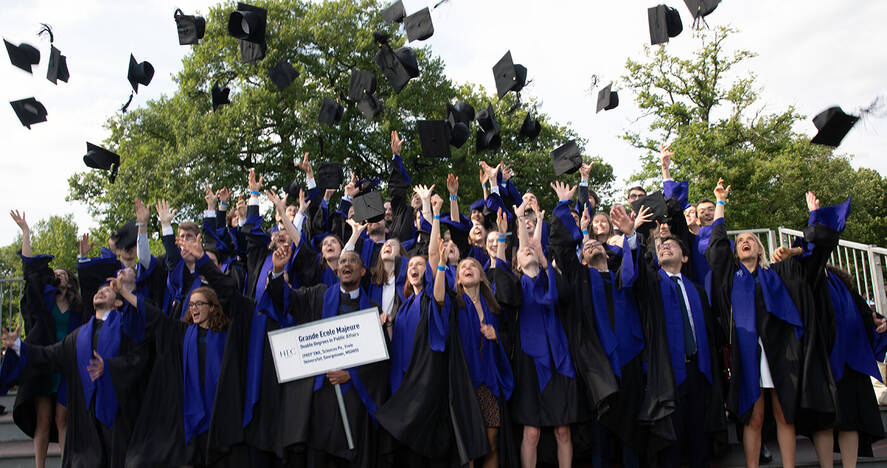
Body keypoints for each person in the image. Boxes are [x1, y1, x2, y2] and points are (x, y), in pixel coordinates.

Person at [123, 232, 251, 467]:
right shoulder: (183, 333)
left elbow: (228, 290)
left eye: (199, 304)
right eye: (191, 305)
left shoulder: (228, 331)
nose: (194, 309)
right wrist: (124, 293)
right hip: (193, 413)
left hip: (222, 409)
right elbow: (155, 316)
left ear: (213, 308)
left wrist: (202, 258)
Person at [705, 178, 804, 468]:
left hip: (779, 351)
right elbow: (716, 245)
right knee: (755, 415)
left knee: (784, 412)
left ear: (760, 249)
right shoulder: (730, 279)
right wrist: (720, 203)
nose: (744, 242)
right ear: (736, 253)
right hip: (747, 354)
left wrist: (792, 252)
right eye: (740, 241)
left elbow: (811, 254)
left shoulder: (775, 275)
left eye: (750, 239)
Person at [1, 282, 149, 467]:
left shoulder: (128, 328)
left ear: (118, 303)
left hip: (118, 420)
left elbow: (142, 358)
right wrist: (17, 346)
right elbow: (48, 356)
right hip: (85, 423)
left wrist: (111, 367)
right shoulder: (78, 337)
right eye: (98, 290)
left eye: (106, 291)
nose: (99, 292)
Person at [268, 245, 392, 467]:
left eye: (352, 261)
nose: (346, 265)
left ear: (363, 271)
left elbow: (380, 364)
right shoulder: (318, 296)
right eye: (343, 262)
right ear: (337, 271)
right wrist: (278, 270)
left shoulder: (372, 311)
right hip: (321, 398)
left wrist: (350, 375)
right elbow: (286, 301)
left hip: (354, 400)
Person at [631, 203, 726, 467]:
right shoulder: (652, 283)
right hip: (666, 374)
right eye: (662, 247)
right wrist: (634, 235)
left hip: (698, 371)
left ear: (685, 258)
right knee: (669, 445)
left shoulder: (697, 291)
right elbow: (637, 273)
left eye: (672, 246)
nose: (665, 247)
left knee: (698, 439)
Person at [491, 198, 579, 468]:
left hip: (558, 361)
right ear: (516, 262)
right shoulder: (515, 287)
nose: (527, 251)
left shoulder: (550, 281)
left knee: (563, 430)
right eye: (523, 251)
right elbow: (502, 275)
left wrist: (542, 254)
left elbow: (561, 291)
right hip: (528, 364)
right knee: (532, 432)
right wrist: (516, 224)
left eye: (531, 251)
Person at [6, 210, 84, 468]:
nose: (58, 274)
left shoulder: (78, 307)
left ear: (70, 280)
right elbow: (30, 270)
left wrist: (83, 258)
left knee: (63, 419)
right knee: (43, 418)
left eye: (63, 273)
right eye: (56, 273)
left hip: (67, 365)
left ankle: (65, 464)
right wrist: (26, 233)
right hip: (43, 364)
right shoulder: (44, 303)